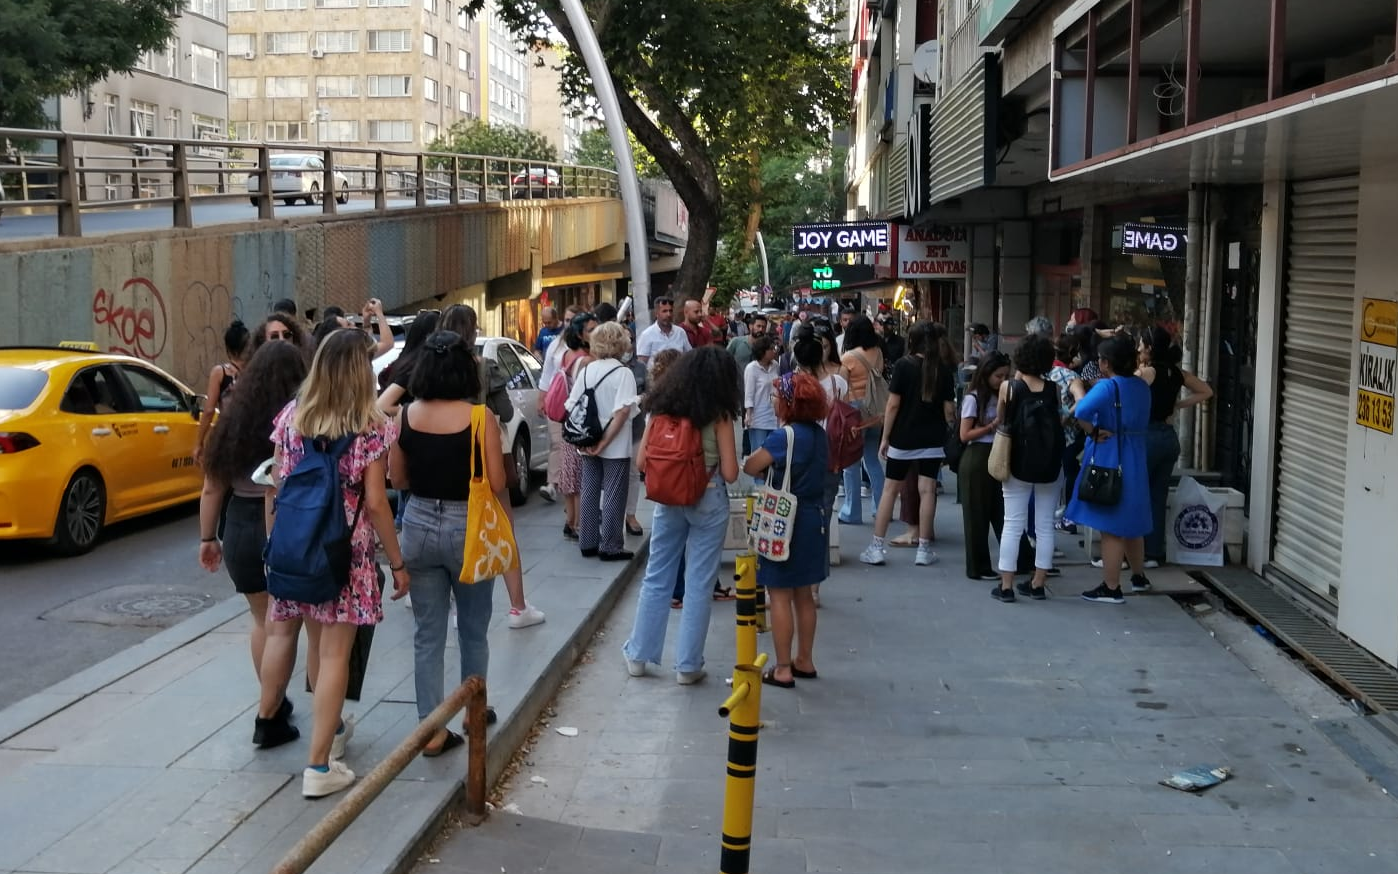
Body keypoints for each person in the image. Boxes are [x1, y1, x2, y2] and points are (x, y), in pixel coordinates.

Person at [256, 329, 409, 799]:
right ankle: (320, 765)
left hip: (296, 547)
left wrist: (274, 545)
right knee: (334, 655)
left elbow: (278, 487)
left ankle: (331, 735)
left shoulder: (291, 418)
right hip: (346, 553)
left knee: (315, 648)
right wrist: (398, 563)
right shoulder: (372, 427)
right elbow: (379, 503)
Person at [389, 331, 505, 757]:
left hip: (417, 523)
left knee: (427, 633)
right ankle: (473, 712)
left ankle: (431, 730)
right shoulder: (480, 419)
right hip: (467, 527)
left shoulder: (405, 416)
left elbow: (397, 480)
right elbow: (496, 482)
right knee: (473, 628)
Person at [197, 341, 309, 741]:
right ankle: (270, 713)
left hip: (238, 527)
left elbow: (212, 488)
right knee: (286, 627)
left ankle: (273, 696)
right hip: (280, 523)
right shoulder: (296, 420)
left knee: (261, 620)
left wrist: (208, 537)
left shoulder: (232, 422)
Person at [623, 347, 741, 684]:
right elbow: (731, 472)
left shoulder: (662, 408)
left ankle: (638, 655)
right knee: (699, 583)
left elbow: (642, 462)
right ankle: (688, 666)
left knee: (657, 575)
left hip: (668, 499)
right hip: (709, 497)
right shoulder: (718, 414)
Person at [435, 304, 543, 629]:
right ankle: (517, 606)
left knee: (457, 527)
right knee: (505, 528)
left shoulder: (432, 366)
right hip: (482, 446)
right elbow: (507, 412)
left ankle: (455, 607)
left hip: (443, 452)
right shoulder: (483, 365)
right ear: (472, 330)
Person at [743, 372, 828, 689]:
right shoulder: (819, 435)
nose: (773, 401)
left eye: (777, 396)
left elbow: (752, 466)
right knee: (804, 594)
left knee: (778, 594)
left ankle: (781, 668)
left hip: (785, 522)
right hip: (814, 518)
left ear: (791, 403)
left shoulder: (784, 437)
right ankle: (804, 659)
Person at [859, 322, 955, 569]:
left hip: (903, 436)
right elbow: (949, 410)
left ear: (910, 341)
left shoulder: (903, 365)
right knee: (928, 490)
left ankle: (877, 547)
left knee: (891, 490)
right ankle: (923, 548)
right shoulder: (942, 369)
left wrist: (885, 437)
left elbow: (892, 406)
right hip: (933, 438)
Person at [1066, 335, 1154, 604]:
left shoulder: (1107, 388)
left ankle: (1111, 586)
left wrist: (1092, 432)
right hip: (1137, 452)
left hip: (1111, 452)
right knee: (1132, 521)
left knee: (1111, 525)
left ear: (1106, 363)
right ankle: (1139, 576)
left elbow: (1080, 411)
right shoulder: (1142, 386)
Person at [991, 334, 1065, 603]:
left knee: (1012, 523)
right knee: (1045, 524)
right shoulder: (1053, 389)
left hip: (1017, 463)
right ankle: (1038, 583)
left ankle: (1007, 586)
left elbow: (1001, 418)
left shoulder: (1009, 388)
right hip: (1049, 464)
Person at [1136, 326, 1213, 568]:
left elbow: (1125, 394)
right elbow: (1207, 391)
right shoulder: (1177, 373)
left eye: (1140, 344)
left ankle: (1132, 553)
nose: (1138, 348)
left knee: (1136, 496)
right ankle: (1153, 554)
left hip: (1146, 436)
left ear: (1149, 347)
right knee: (1157, 497)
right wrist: (1177, 405)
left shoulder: (1146, 373)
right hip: (1169, 439)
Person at [568, 322, 638, 561]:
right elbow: (622, 413)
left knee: (589, 490)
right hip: (615, 444)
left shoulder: (587, 370)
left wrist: (588, 443)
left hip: (586, 440)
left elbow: (572, 405)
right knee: (614, 493)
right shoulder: (623, 373)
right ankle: (610, 545)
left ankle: (588, 541)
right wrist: (605, 443)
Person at [958, 352, 1031, 581]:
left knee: (1006, 511)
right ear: (987, 374)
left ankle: (1021, 560)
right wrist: (992, 425)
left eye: (1005, 375)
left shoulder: (1007, 394)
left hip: (1000, 451)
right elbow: (964, 434)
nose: (1002, 380)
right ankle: (979, 566)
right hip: (977, 455)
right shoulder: (974, 398)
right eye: (998, 375)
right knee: (976, 515)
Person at [837, 315, 886, 525]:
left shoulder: (848, 357)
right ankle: (880, 508)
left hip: (855, 411)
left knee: (851, 465)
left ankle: (852, 511)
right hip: (875, 411)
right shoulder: (878, 353)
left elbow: (841, 387)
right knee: (873, 461)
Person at [557, 312, 598, 538]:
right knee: (581, 477)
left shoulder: (567, 354)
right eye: (591, 330)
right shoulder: (586, 360)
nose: (595, 333)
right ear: (581, 335)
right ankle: (580, 525)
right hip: (580, 424)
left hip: (568, 423)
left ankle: (570, 521)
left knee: (570, 475)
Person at [537, 304, 584, 503]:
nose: (568, 324)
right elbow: (546, 374)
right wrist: (542, 398)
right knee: (557, 443)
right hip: (557, 402)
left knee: (575, 452)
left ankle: (573, 499)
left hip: (580, 406)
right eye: (566, 320)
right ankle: (553, 484)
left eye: (573, 320)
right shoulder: (556, 345)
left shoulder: (586, 346)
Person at [194, 320, 251, 466]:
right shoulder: (255, 371)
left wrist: (199, 442)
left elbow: (208, 411)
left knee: (215, 485)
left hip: (227, 438)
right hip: (252, 437)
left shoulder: (220, 372)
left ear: (227, 347)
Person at [742, 335, 780, 484]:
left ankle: (771, 487)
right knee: (758, 455)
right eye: (771, 349)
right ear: (763, 351)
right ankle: (759, 490)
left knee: (773, 455)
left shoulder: (775, 366)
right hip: (758, 417)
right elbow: (749, 394)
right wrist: (749, 415)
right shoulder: (752, 368)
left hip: (774, 416)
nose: (774, 351)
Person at [635, 297, 690, 363]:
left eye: (670, 311)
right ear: (656, 313)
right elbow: (642, 363)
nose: (668, 314)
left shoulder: (680, 333)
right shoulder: (647, 335)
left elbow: (689, 356)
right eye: (664, 311)